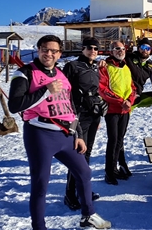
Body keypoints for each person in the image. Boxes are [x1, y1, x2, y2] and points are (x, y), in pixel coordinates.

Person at [8, 35, 111, 229]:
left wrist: (78, 134)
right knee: (41, 184)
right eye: (45, 49)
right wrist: (45, 91)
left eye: (53, 51)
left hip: (65, 134)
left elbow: (70, 106)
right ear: (38, 50)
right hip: (40, 134)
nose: (49, 54)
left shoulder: (61, 74)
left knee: (84, 172)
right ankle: (39, 226)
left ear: (59, 54)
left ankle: (88, 214)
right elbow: (14, 105)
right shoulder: (24, 73)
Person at [62, 37, 105, 210]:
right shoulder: (73, 66)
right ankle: (70, 194)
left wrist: (99, 113)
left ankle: (84, 191)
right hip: (78, 116)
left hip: (93, 115)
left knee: (87, 156)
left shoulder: (94, 67)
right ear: (83, 49)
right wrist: (70, 117)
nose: (93, 51)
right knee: (78, 156)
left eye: (96, 48)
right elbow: (65, 93)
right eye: (89, 48)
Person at [98, 41, 136, 186]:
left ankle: (115, 168)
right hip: (113, 110)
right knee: (113, 140)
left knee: (120, 140)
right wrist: (121, 101)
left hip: (125, 109)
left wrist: (129, 101)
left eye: (122, 48)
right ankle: (109, 171)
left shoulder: (126, 67)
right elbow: (103, 89)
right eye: (117, 49)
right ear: (111, 51)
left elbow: (132, 87)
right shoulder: (105, 67)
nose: (120, 51)